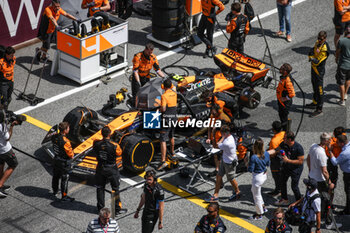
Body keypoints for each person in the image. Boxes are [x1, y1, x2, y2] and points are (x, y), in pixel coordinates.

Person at [307, 133, 342, 229]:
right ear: (325, 141)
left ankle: (313, 217)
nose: (331, 141)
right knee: (327, 201)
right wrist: (330, 182)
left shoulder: (313, 146)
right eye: (329, 140)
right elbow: (325, 171)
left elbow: (308, 158)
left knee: (313, 198)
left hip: (312, 177)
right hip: (320, 181)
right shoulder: (322, 153)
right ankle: (328, 222)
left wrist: (310, 170)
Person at [93, 126, 126, 214]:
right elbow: (119, 153)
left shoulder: (96, 143)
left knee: (100, 188)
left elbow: (95, 146)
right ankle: (117, 209)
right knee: (115, 188)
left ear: (101, 134)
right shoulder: (115, 145)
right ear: (110, 134)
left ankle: (100, 208)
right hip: (111, 168)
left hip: (100, 168)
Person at [205, 125, 241, 202]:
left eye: (221, 133)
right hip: (224, 160)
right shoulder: (230, 137)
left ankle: (237, 192)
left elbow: (216, 145)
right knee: (218, 176)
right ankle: (215, 195)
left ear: (224, 133)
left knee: (231, 178)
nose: (220, 134)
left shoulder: (227, 143)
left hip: (229, 163)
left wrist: (214, 135)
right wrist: (224, 136)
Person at [275, 131, 304, 206]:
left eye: (284, 138)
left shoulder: (298, 148)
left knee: (294, 186)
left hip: (295, 169)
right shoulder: (284, 144)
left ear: (290, 139)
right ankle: (284, 199)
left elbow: (300, 161)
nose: (283, 139)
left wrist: (288, 160)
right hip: (286, 167)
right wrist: (265, 154)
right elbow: (276, 149)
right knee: (282, 182)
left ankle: (299, 201)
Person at [306, 31, 330, 117]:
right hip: (313, 69)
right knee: (314, 86)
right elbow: (311, 51)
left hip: (319, 71)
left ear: (325, 39)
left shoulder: (325, 49)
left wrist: (311, 57)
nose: (319, 40)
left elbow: (317, 61)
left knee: (320, 90)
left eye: (321, 39)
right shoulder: (317, 43)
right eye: (318, 38)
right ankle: (315, 102)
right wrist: (311, 56)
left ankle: (319, 109)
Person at [51, 122, 75, 201]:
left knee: (55, 176)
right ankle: (64, 196)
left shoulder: (54, 136)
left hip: (56, 159)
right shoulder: (65, 141)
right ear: (65, 130)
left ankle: (55, 191)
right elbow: (70, 154)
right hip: (63, 162)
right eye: (68, 128)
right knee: (65, 178)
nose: (69, 129)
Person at [248, 138, 271, 220]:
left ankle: (259, 214)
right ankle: (263, 207)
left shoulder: (254, 157)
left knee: (256, 196)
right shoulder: (267, 153)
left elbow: (250, 170)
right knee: (256, 192)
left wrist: (247, 163)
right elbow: (268, 164)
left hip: (257, 177)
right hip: (264, 175)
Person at [158, 79, 177, 170]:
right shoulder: (175, 93)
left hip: (166, 119)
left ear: (163, 87)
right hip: (174, 118)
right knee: (171, 136)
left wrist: (159, 109)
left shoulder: (164, 96)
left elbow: (164, 109)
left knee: (162, 139)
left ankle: (163, 161)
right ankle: (172, 153)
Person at [329, 134, 350, 215]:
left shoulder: (345, 153)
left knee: (348, 192)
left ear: (342, 143)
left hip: (348, 174)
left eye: (337, 142)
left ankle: (348, 210)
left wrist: (330, 151)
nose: (336, 144)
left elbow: (335, 162)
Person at [0, 109, 18, 197]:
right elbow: (7, 137)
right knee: (13, 164)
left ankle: (1, 184)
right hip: (5, 150)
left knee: (1, 165)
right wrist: (11, 126)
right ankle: (0, 185)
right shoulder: (2, 127)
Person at [325, 126, 345, 207]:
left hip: (329, 161)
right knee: (332, 185)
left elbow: (327, 151)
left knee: (327, 184)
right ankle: (329, 203)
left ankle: (327, 202)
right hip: (334, 164)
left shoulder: (331, 142)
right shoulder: (342, 143)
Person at [268, 121, 285, 197]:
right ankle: (280, 189)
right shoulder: (284, 133)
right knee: (281, 175)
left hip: (276, 160)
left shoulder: (274, 141)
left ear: (273, 129)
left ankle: (278, 190)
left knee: (276, 175)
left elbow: (273, 153)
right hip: (284, 157)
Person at [276, 63, 295, 131]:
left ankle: (285, 132)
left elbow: (292, 94)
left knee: (283, 118)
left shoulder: (287, 81)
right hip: (281, 101)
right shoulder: (284, 76)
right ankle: (285, 128)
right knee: (282, 116)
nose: (280, 69)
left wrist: (285, 98)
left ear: (285, 71)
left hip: (285, 103)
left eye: (282, 68)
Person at [335, 26, 350, 106]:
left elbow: (337, 52)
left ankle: (342, 100)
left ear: (345, 32)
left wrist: (336, 59)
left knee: (341, 82)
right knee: (348, 79)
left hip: (343, 65)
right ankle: (345, 94)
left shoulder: (342, 41)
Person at [0, 47, 16, 111]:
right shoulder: (1, 63)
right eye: (11, 55)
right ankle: (4, 113)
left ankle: (2, 110)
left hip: (11, 81)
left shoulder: (13, 59)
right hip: (3, 83)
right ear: (6, 55)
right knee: (5, 101)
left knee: (9, 99)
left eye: (13, 54)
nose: (13, 56)